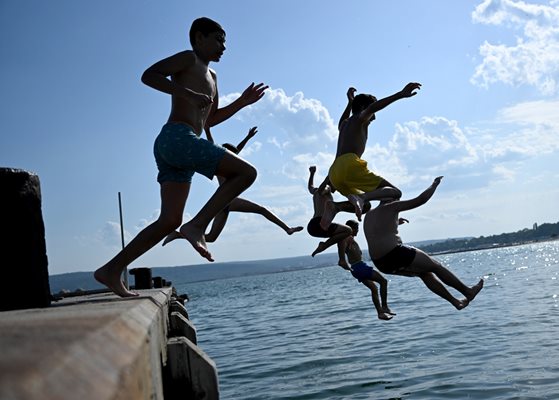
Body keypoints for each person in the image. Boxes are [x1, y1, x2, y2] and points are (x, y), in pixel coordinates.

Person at [94, 17, 268, 297]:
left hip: (177, 145)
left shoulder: (213, 77)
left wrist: (242, 103)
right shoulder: (189, 59)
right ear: (199, 38)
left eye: (225, 41)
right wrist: (186, 92)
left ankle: (111, 270)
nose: (223, 46)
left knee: (169, 220)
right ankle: (198, 225)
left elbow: (211, 119)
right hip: (177, 137)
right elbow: (149, 75)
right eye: (218, 39)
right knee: (246, 173)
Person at [162, 126, 303, 245]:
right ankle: (287, 229)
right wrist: (207, 130)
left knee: (211, 238)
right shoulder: (219, 164)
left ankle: (177, 235)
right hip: (228, 201)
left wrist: (247, 138)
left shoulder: (232, 165)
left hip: (223, 205)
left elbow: (237, 150)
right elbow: (212, 144)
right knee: (262, 209)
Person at [364, 176, 484, 310]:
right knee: (437, 267)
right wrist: (434, 185)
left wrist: (396, 222)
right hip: (395, 253)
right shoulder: (392, 206)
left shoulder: (369, 215)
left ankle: (456, 302)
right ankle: (468, 292)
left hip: (381, 263)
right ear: (391, 198)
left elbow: (378, 232)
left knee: (424, 273)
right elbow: (421, 200)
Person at [321, 83, 422, 229]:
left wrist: (350, 103)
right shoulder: (359, 119)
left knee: (367, 205)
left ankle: (336, 207)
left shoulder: (345, 124)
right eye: (372, 113)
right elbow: (372, 108)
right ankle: (361, 198)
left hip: (334, 173)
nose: (374, 117)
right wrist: (400, 94)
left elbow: (342, 119)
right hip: (349, 165)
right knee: (395, 193)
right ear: (363, 109)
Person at [307, 166, 371, 257]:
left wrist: (312, 173)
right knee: (348, 230)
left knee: (341, 234)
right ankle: (324, 246)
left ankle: (342, 260)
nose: (336, 188)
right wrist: (328, 178)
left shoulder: (315, 191)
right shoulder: (327, 188)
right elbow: (322, 190)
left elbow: (310, 187)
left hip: (312, 227)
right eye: (336, 184)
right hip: (319, 223)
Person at [338, 220, 395, 321]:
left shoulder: (349, 239)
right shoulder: (346, 238)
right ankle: (385, 306)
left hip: (357, 268)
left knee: (374, 289)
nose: (358, 231)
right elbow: (340, 243)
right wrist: (342, 259)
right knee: (383, 281)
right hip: (359, 267)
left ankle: (380, 313)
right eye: (357, 229)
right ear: (351, 228)